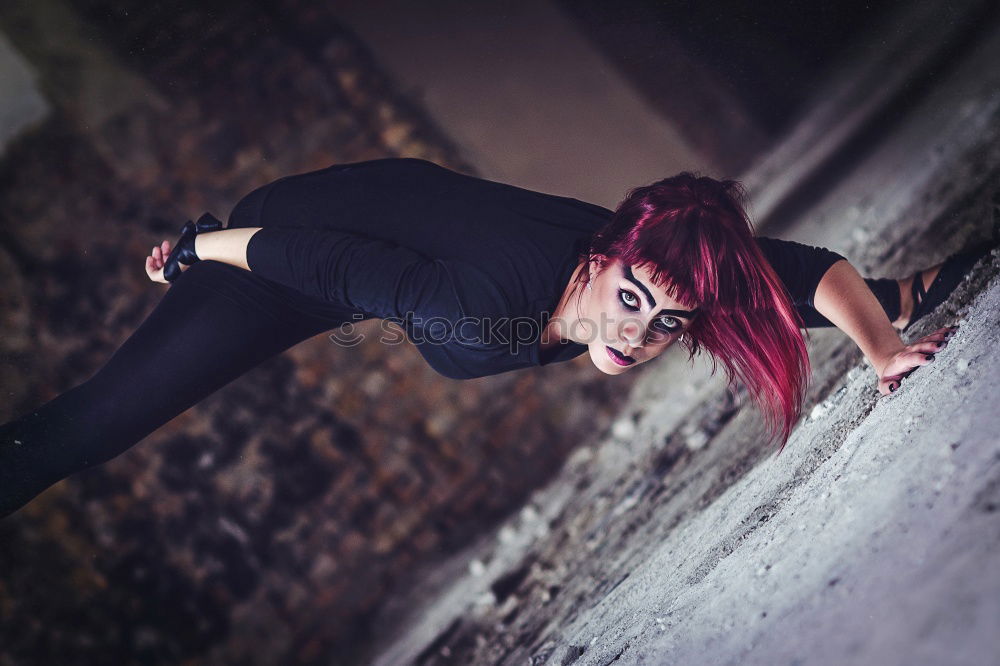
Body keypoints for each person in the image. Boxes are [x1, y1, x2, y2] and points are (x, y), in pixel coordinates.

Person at [0, 158, 987, 519]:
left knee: (747, 294)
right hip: (291, 244)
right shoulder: (481, 306)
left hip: (406, 234)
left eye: (666, 322)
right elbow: (334, 269)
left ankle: (900, 296)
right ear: (604, 258)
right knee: (93, 427)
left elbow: (798, 268)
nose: (640, 336)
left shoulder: (648, 260)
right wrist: (197, 248)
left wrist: (880, 342)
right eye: (634, 302)